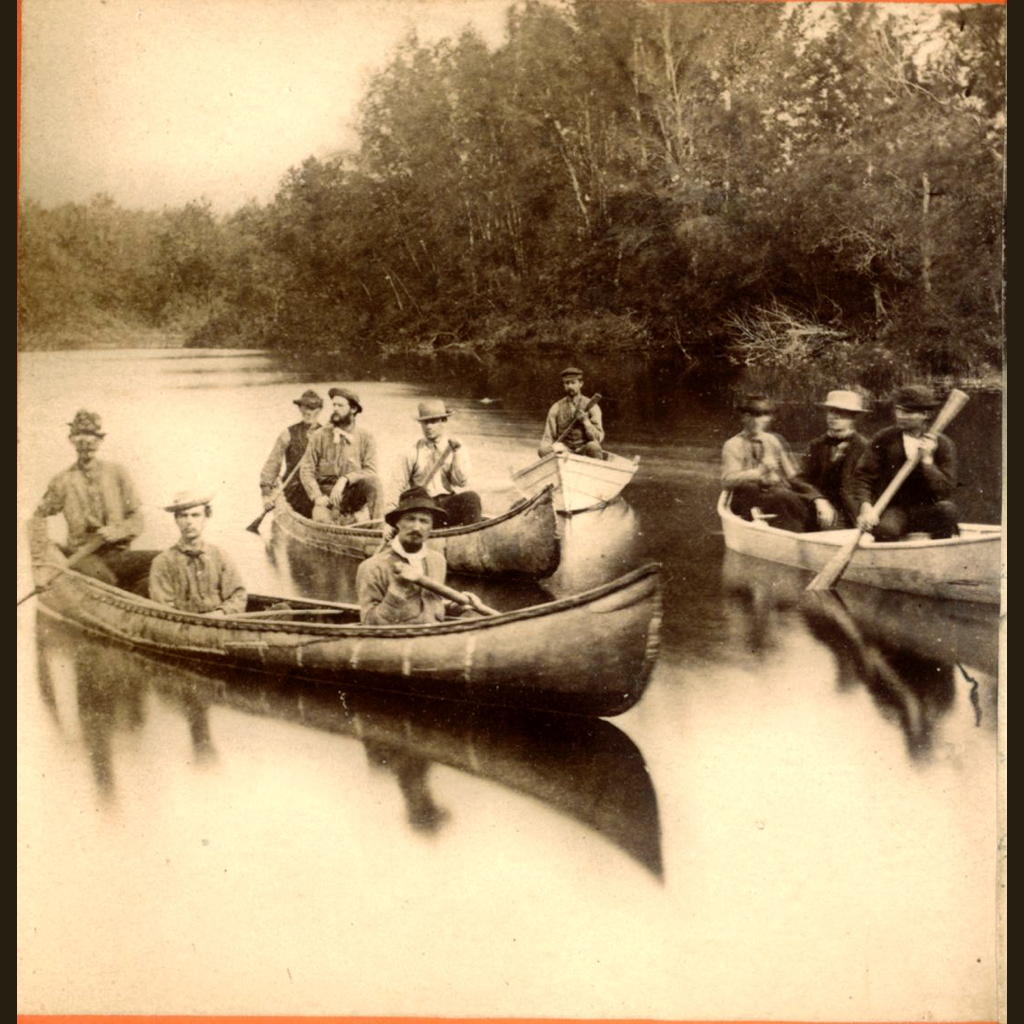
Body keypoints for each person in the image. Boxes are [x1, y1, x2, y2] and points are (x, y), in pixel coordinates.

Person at [29, 409, 153, 592]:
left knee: (162, 564)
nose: (86, 442)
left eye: (92, 437)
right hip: (82, 557)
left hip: (119, 555)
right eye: (79, 436)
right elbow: (37, 517)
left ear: (100, 440)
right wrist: (41, 559)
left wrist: (119, 530)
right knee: (105, 580)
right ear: (71, 440)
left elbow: (137, 519)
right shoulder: (62, 480)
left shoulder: (118, 473)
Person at [847, 384, 958, 541]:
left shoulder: (943, 444)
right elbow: (862, 477)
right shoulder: (884, 439)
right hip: (894, 509)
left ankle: (940, 552)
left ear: (925, 414)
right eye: (898, 410)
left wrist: (927, 461)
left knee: (947, 510)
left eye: (907, 412)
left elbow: (945, 490)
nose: (900, 416)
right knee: (884, 530)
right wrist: (866, 507)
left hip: (927, 509)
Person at [356, 488, 474, 625]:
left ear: (431, 527)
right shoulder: (371, 567)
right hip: (398, 643)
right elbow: (370, 624)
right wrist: (397, 589)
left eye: (424, 521)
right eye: (410, 519)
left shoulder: (437, 561)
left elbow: (429, 607)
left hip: (434, 640)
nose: (417, 527)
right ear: (397, 523)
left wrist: (452, 608)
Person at [721, 395, 814, 532]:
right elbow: (727, 481)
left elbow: (792, 474)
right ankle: (804, 530)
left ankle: (807, 530)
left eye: (767, 415)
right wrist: (759, 472)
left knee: (794, 497)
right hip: (746, 498)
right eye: (759, 415)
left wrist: (809, 492)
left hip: (774, 496)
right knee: (782, 496)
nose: (766, 420)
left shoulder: (772, 441)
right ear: (746, 417)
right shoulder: (733, 445)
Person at [148, 491, 247, 615]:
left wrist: (220, 613)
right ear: (176, 520)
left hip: (220, 624)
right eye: (183, 516)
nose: (189, 521)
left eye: (195, 515)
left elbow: (238, 595)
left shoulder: (220, 556)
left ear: (206, 517)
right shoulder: (163, 562)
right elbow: (163, 607)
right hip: (182, 627)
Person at [390, 399, 482, 527]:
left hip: (447, 504)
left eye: (433, 422)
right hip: (424, 507)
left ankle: (471, 538)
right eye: (425, 422)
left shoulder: (456, 448)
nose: (428, 427)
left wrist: (457, 453)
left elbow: (461, 481)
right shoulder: (411, 451)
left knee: (472, 498)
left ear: (443, 421)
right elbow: (396, 486)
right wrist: (389, 520)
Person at [299, 386, 382, 524]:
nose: (335, 409)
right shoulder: (319, 436)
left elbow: (370, 471)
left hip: (353, 495)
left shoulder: (366, 437)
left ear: (353, 409)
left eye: (340, 405)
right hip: (326, 497)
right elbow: (306, 470)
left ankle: (378, 528)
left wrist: (345, 479)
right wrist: (317, 496)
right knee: (323, 521)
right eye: (334, 405)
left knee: (374, 482)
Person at [795, 389, 870, 529]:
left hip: (848, 510)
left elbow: (869, 486)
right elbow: (799, 478)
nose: (833, 417)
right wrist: (818, 499)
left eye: (841, 413)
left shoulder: (865, 448)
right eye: (831, 411)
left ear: (853, 418)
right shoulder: (816, 445)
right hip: (818, 504)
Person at [258, 388, 323, 518]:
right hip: (293, 489)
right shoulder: (287, 434)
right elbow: (272, 465)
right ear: (300, 408)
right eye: (305, 407)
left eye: (313, 408)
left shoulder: (327, 434)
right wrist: (266, 494)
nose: (308, 411)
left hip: (319, 489)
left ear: (319, 410)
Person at [538, 366, 606, 460]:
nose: (570, 386)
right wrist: (547, 448)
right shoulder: (556, 407)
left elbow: (598, 438)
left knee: (594, 447)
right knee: (542, 450)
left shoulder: (592, 406)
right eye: (566, 383)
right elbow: (548, 437)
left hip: (584, 450)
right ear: (564, 385)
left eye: (573, 383)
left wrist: (586, 421)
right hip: (564, 450)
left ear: (581, 384)